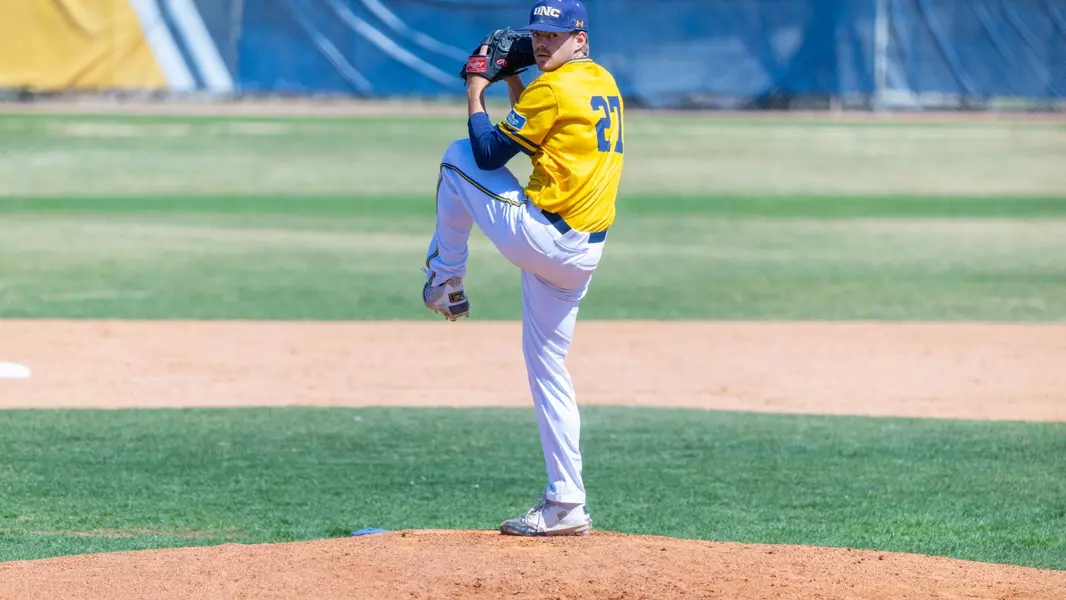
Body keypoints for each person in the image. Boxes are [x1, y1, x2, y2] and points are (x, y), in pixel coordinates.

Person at [421, 0, 624, 537]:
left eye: (554, 36)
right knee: (548, 370)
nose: (541, 43)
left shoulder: (552, 88)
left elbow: (489, 155)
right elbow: (540, 145)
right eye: (537, 34)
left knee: (456, 157)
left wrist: (475, 89)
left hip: (545, 239)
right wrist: (519, 83)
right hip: (581, 255)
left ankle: (445, 280)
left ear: (580, 37)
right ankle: (566, 504)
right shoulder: (600, 81)